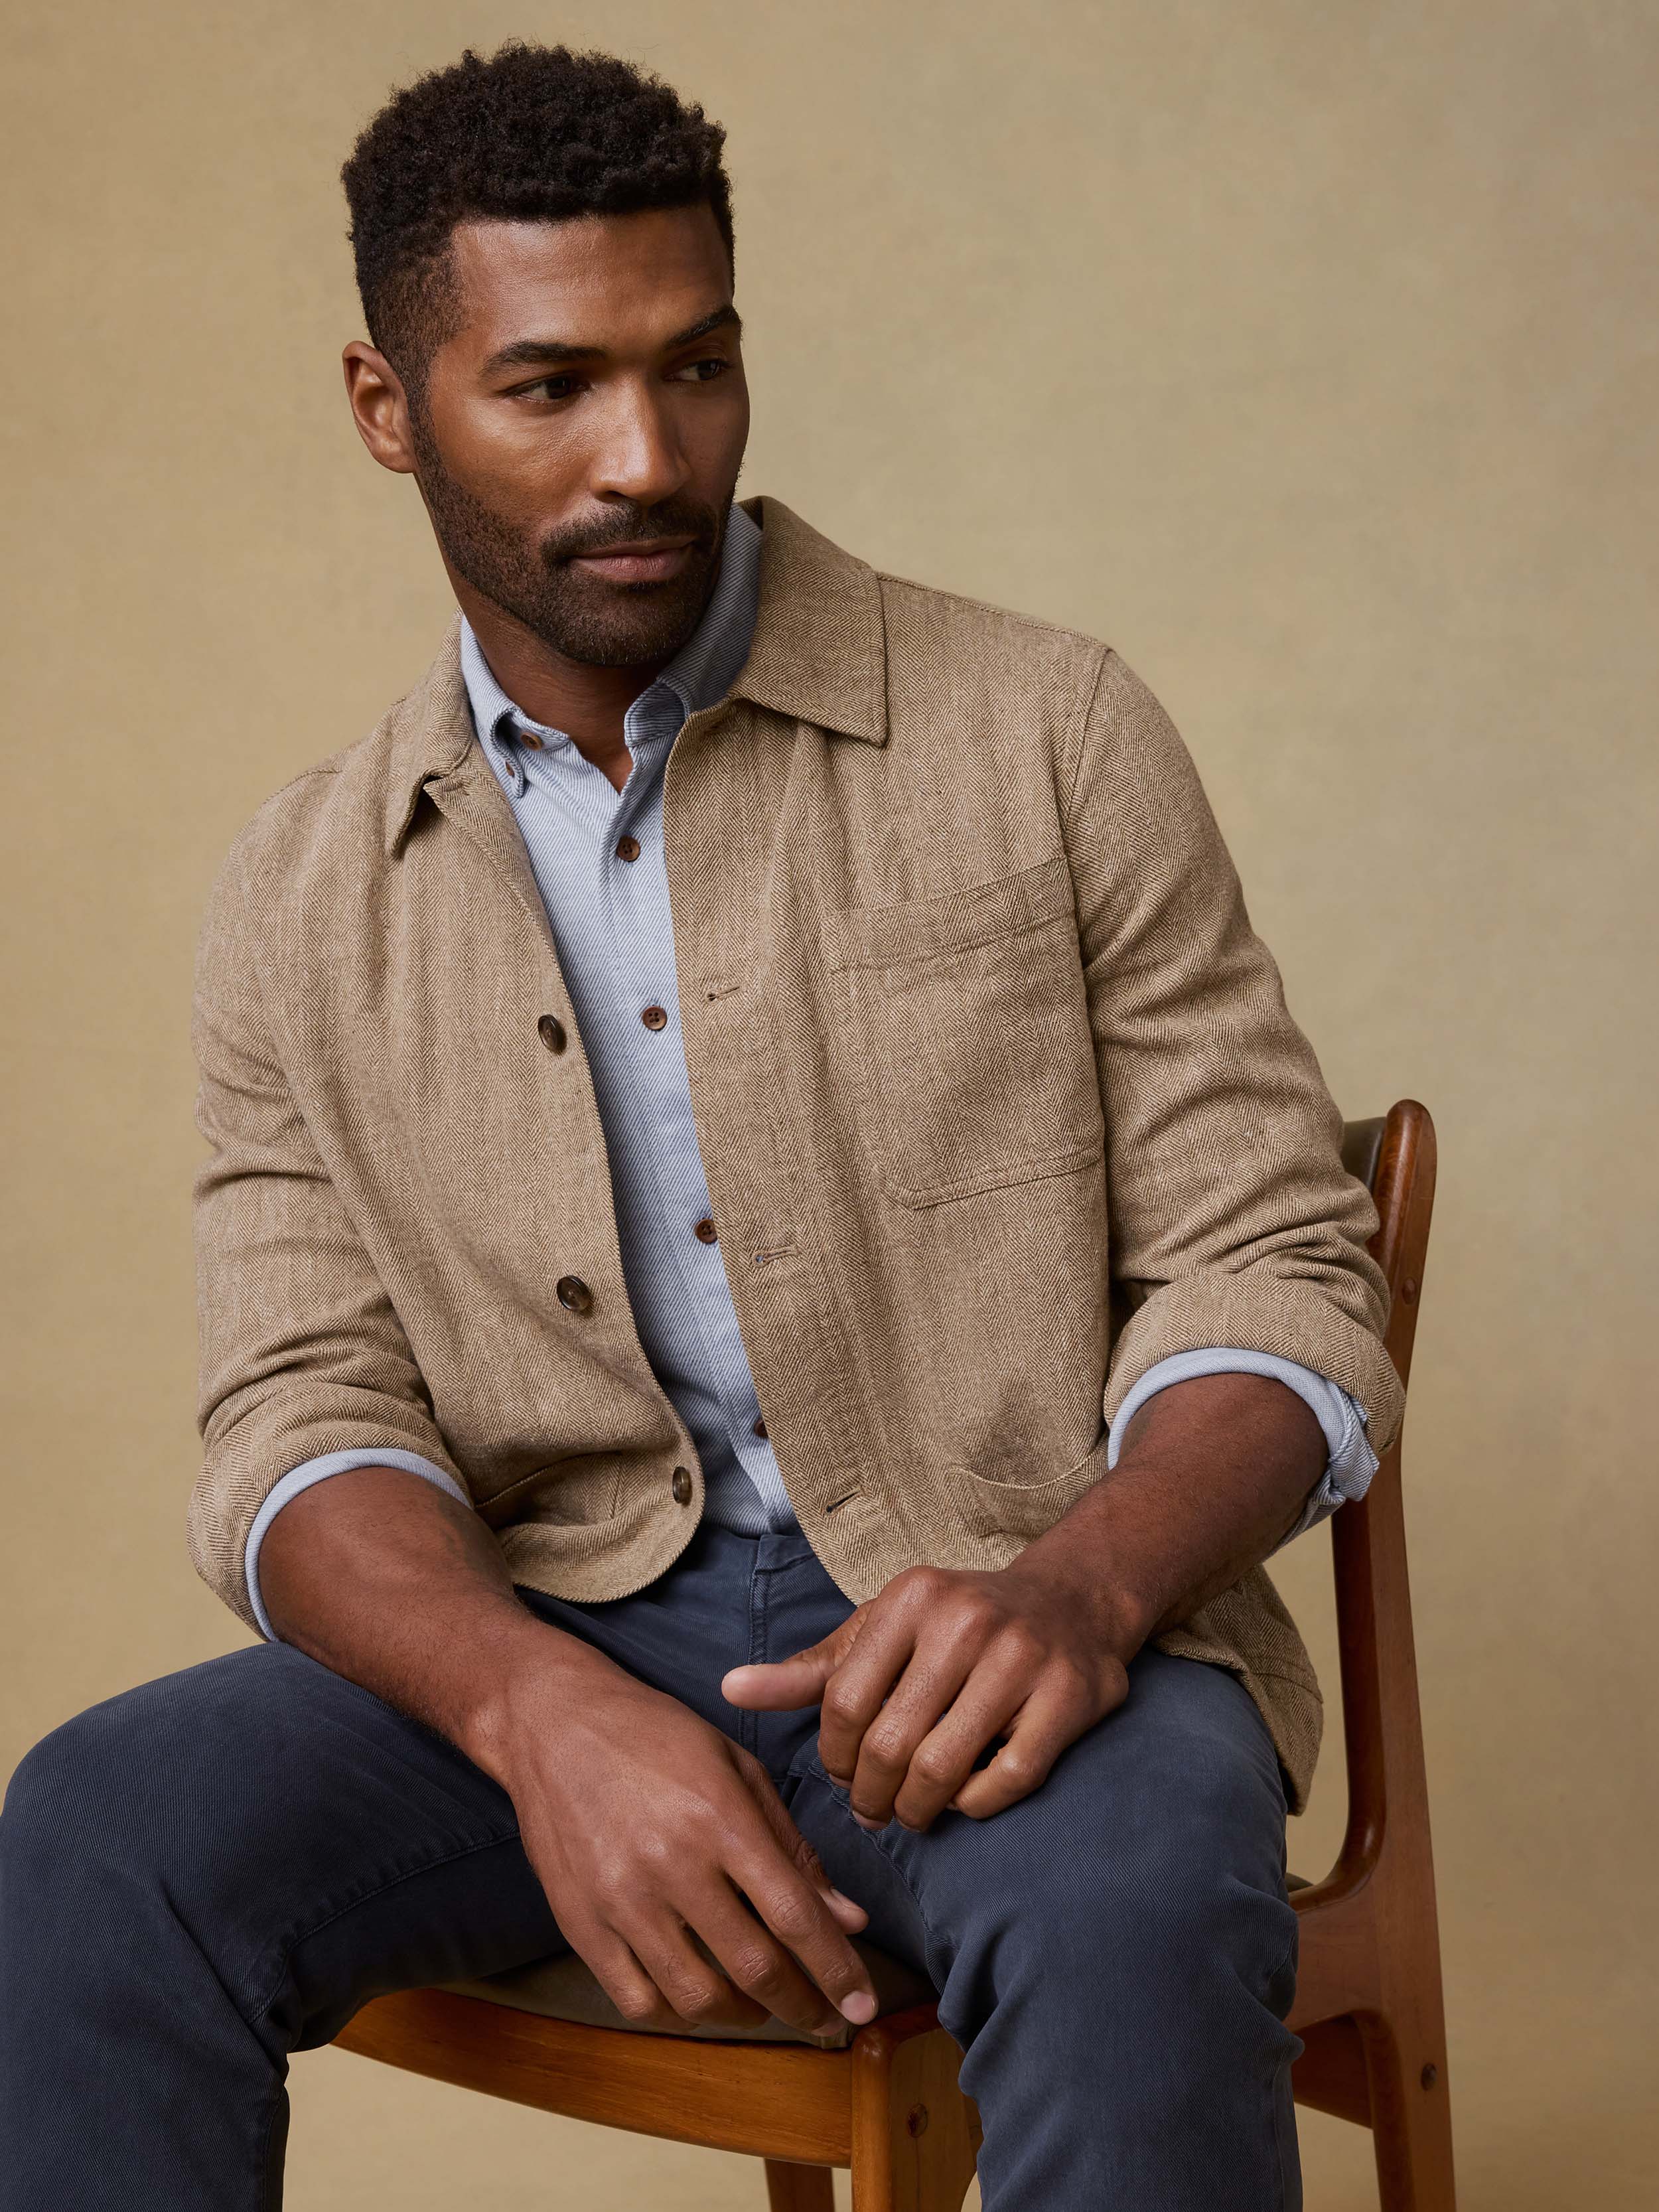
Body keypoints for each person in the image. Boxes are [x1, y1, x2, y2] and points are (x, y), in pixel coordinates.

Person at [0, 41, 1403, 2212]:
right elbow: (295, 1418)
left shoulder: (1047, 733)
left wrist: (1084, 1587)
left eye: (700, 367)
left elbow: (1276, 1260)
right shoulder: (297, 896)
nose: (647, 457)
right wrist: (525, 1710)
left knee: (1134, 1905)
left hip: (1010, 1618)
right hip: (556, 1625)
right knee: (99, 1834)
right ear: (391, 409)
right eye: (549, 387)